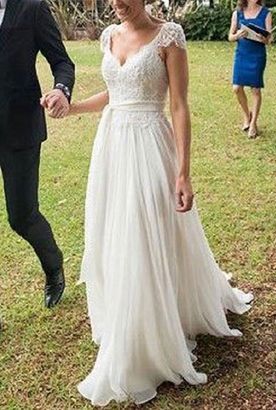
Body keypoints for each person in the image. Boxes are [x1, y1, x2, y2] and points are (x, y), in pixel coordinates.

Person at [60, 0, 253, 406]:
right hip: (112, 148)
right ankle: (127, 317)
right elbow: (114, 95)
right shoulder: (109, 36)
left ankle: (148, 334)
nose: (117, 5)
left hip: (151, 146)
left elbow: (179, 106)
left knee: (149, 232)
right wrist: (72, 107)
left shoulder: (170, 37)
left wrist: (183, 173)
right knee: (116, 230)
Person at [0, 0, 75, 309]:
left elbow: (62, 62)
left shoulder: (32, 7)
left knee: (22, 216)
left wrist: (60, 90)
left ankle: (53, 265)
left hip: (19, 128)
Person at [229, 0, 272, 138]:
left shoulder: (266, 13)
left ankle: (253, 124)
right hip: (241, 55)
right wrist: (238, 35)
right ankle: (247, 115)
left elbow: (269, 39)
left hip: (257, 56)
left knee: (255, 89)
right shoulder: (237, 13)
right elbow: (230, 37)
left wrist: (264, 38)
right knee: (236, 88)